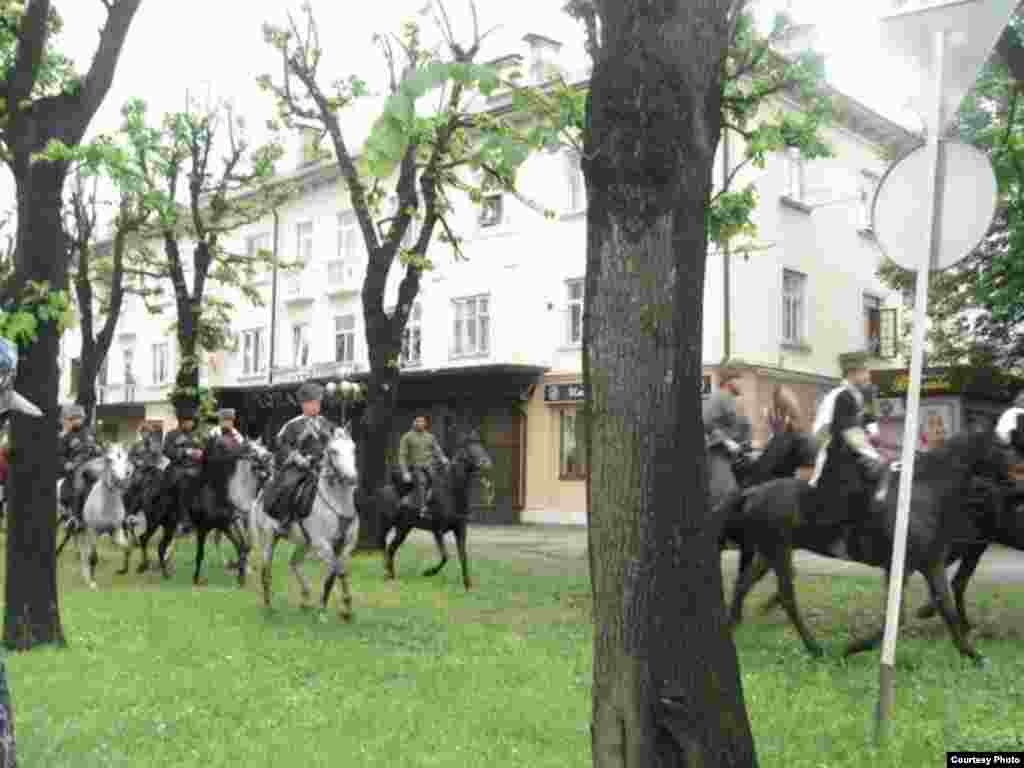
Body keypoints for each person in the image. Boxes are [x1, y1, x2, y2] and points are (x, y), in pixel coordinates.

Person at [809, 351, 887, 531]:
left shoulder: (858, 395)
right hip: (837, 451)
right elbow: (846, 431)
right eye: (865, 371)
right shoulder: (841, 396)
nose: (868, 375)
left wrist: (874, 436)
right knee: (870, 470)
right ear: (852, 373)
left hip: (853, 448)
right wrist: (871, 453)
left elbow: (867, 420)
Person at [262, 381, 336, 527]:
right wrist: (298, 458)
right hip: (300, 466)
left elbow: (333, 442)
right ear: (304, 405)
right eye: (313, 403)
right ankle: (285, 519)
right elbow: (282, 444)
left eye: (318, 402)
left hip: (322, 464)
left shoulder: (325, 422)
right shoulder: (293, 424)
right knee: (288, 485)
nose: (317, 406)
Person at [57, 404, 104, 530]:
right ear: (70, 420)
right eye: (75, 418)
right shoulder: (65, 437)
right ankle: (76, 516)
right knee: (79, 485)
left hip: (93, 466)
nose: (79, 420)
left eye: (80, 418)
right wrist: (66, 463)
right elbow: (60, 455)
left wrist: (98, 449)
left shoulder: (89, 433)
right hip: (76, 468)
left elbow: (100, 448)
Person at [162, 404, 206, 535]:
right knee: (183, 483)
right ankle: (184, 520)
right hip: (178, 469)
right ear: (181, 422)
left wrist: (201, 453)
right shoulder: (172, 435)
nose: (191, 424)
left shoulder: (198, 436)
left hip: (197, 468)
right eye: (188, 421)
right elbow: (167, 451)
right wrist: (185, 452)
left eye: (192, 421)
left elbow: (205, 450)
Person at [398, 414, 449, 519]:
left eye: (423, 422)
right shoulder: (407, 437)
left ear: (425, 424)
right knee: (422, 482)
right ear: (414, 423)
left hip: (430, 466)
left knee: (439, 481)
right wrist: (405, 472)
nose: (420, 424)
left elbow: (437, 450)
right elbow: (402, 455)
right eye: (418, 421)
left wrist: (443, 458)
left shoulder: (430, 437)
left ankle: (439, 505)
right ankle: (422, 509)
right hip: (415, 467)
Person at [703, 367, 752, 456]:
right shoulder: (723, 396)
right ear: (729, 381)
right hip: (719, 454)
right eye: (739, 381)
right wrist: (728, 442)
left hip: (724, 453)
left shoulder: (724, 397)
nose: (741, 385)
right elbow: (706, 422)